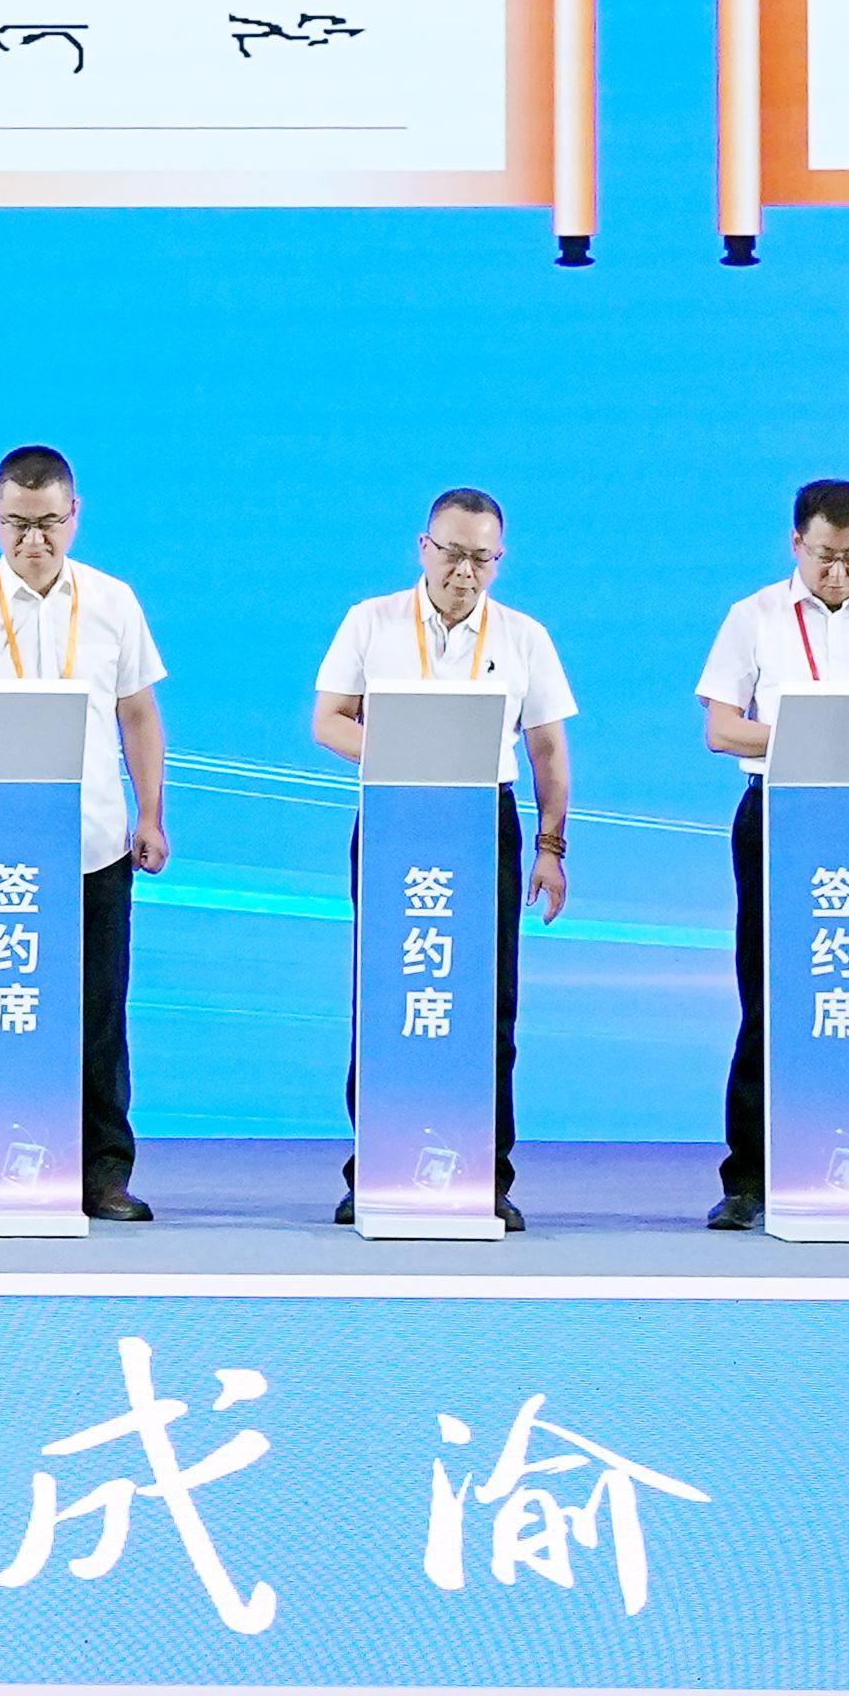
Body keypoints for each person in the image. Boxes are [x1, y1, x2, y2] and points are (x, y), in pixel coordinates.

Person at [0, 442, 171, 1221]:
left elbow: (138, 713)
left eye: (48, 522)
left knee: (98, 1016)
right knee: (4, 1008)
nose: (33, 539)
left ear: (73, 514)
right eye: (16, 523)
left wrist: (151, 814)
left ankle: (102, 1173)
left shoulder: (112, 600)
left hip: (95, 840)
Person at [692, 474, 849, 1232]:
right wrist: (813, 741)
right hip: (778, 811)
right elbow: (721, 728)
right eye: (823, 556)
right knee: (768, 991)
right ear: (795, 544)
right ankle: (749, 1177)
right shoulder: (753, 616)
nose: (837, 573)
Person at [313, 486, 577, 1230]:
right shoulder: (371, 621)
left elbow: (548, 750)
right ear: (423, 548)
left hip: (483, 819)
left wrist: (551, 845)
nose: (464, 571)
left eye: (480, 559)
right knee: (387, 996)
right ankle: (375, 1166)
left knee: (487, 1003)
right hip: (396, 816)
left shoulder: (524, 636)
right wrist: (408, 753)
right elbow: (328, 720)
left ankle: (486, 1174)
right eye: (452, 553)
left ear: (500, 559)